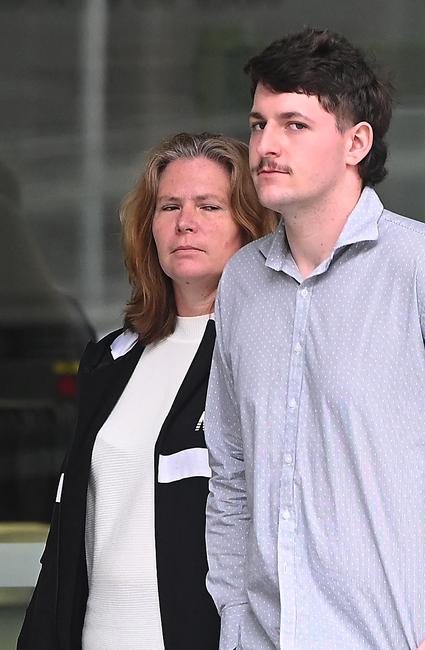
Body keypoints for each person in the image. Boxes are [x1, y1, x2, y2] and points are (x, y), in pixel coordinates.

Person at [205, 29, 425, 650]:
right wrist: (235, 617)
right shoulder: (242, 282)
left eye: (294, 124)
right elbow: (232, 470)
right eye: (259, 123)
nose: (265, 144)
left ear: (356, 142)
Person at [18, 132, 277, 650]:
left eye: (209, 206)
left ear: (249, 228)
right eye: (169, 206)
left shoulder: (269, 356)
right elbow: (70, 534)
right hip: (96, 635)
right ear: (149, 227)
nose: (186, 222)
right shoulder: (109, 359)